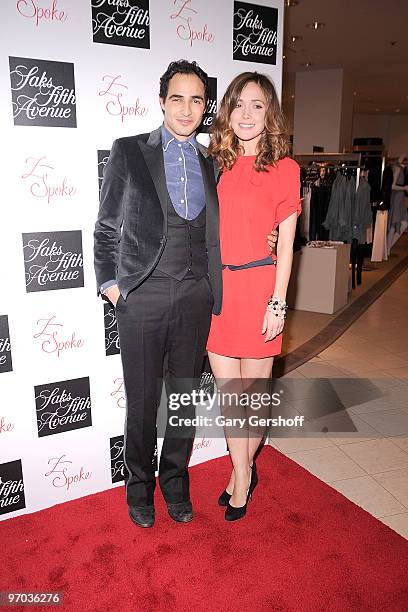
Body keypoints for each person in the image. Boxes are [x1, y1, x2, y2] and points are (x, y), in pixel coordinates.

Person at [94, 59, 279, 528]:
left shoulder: (211, 162)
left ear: (205, 107)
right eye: (177, 97)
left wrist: (271, 238)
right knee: (141, 402)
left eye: (197, 99)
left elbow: (241, 216)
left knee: (181, 400)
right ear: (162, 102)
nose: (187, 107)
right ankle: (139, 489)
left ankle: (175, 483)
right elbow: (106, 227)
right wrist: (114, 289)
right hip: (143, 297)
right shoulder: (130, 151)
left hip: (198, 296)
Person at [207, 72, 301, 521]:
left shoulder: (286, 169)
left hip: (262, 289)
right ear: (228, 109)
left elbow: (285, 244)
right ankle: (242, 474)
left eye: (258, 106)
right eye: (239, 104)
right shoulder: (214, 162)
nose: (247, 115)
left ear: (270, 115)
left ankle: (240, 476)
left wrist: (278, 303)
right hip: (219, 293)